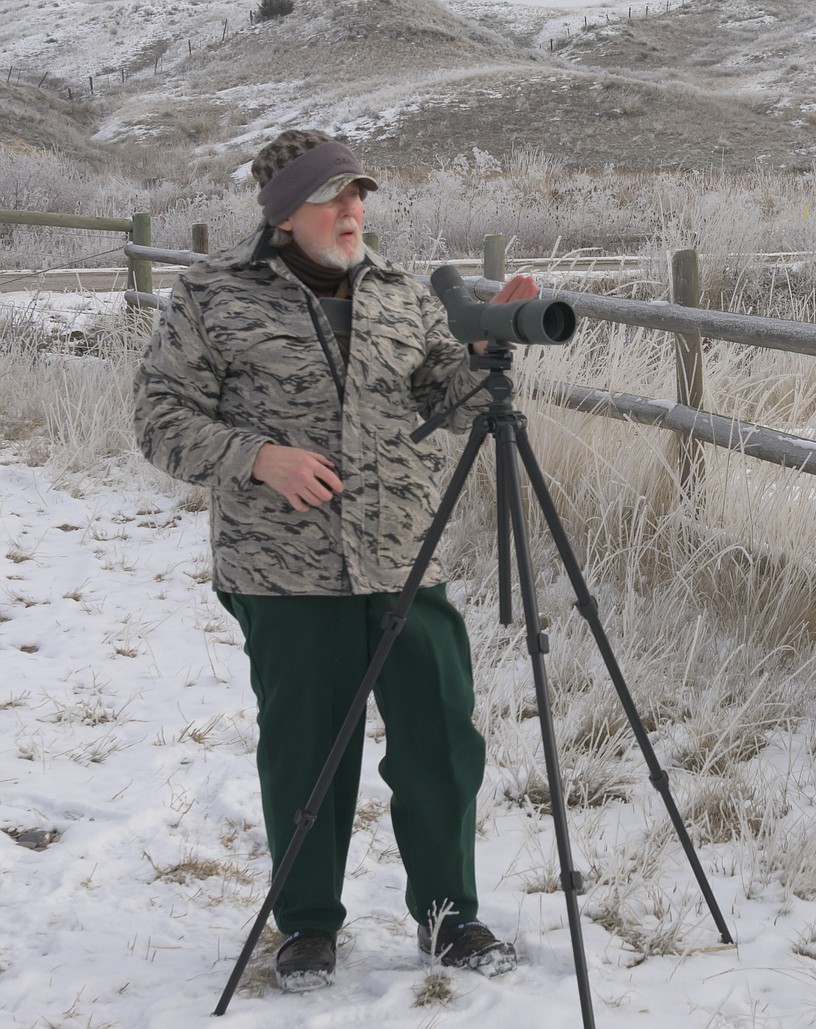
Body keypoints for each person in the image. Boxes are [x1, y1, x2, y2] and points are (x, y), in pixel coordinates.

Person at [133, 128, 538, 993]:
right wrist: (256, 456)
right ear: (285, 215)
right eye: (333, 196)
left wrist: (483, 353)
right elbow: (158, 418)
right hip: (284, 570)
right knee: (306, 750)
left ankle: (449, 917)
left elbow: (446, 403)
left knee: (439, 738)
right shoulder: (213, 296)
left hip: (403, 555)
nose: (354, 209)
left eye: (360, 193)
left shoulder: (399, 292)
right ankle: (307, 924)